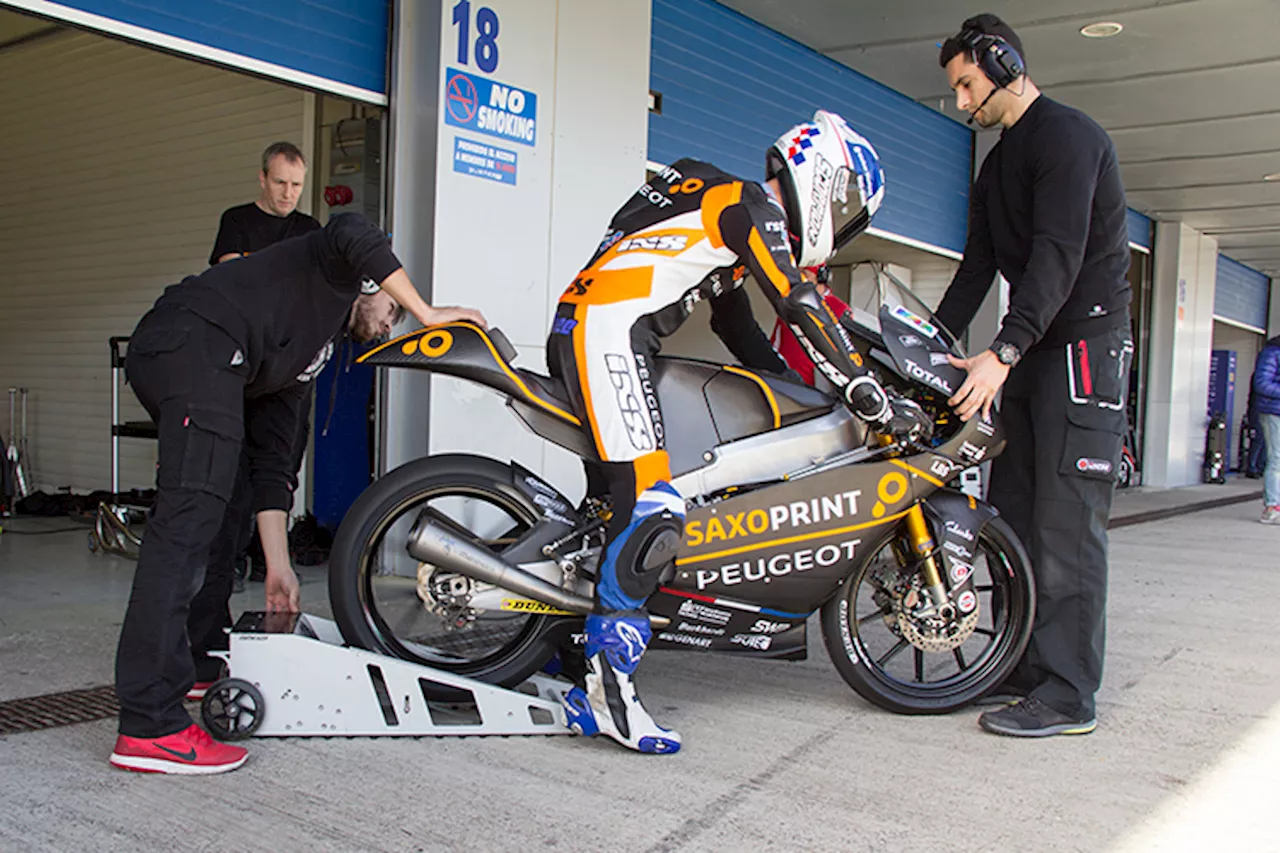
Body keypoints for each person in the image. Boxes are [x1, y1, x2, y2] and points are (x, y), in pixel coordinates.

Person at [548, 109, 930, 754]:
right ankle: (610, 695)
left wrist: (800, 394)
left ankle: (571, 658)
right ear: (826, 185)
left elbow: (738, 327)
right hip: (610, 333)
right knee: (652, 508)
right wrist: (862, 388)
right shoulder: (751, 205)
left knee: (611, 517)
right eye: (848, 214)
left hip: (589, 325)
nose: (840, 231)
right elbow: (798, 300)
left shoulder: (715, 203)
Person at [109, 213, 486, 774]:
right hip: (195, 338)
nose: (388, 326)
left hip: (203, 361)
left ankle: (196, 656)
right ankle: (150, 725)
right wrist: (429, 310)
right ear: (374, 287)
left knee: (227, 499)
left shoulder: (309, 358)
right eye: (392, 312)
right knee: (188, 520)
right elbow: (354, 231)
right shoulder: (331, 268)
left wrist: (279, 566)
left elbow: (274, 463)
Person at [933, 14, 1133, 737]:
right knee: (1013, 507)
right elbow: (978, 266)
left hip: (1082, 350)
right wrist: (930, 342)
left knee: (1067, 522)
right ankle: (1022, 665)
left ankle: (1070, 692)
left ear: (1003, 61)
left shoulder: (1071, 139)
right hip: (1034, 351)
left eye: (967, 84)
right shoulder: (996, 166)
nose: (963, 102)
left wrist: (1005, 350)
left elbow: (1056, 255)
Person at [209, 141, 321, 265]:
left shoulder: (311, 228)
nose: (287, 194)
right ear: (263, 179)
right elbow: (231, 275)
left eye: (296, 185)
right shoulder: (236, 220)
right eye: (280, 182)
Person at [770, 266, 851, 386]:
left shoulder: (840, 309)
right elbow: (776, 343)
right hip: (784, 379)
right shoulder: (790, 305)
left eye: (804, 273)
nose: (799, 278)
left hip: (817, 385)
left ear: (820, 277)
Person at [1251, 334, 1280, 522]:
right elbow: (1261, 383)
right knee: (1277, 459)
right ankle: (1272, 507)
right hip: (1274, 413)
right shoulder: (1272, 352)